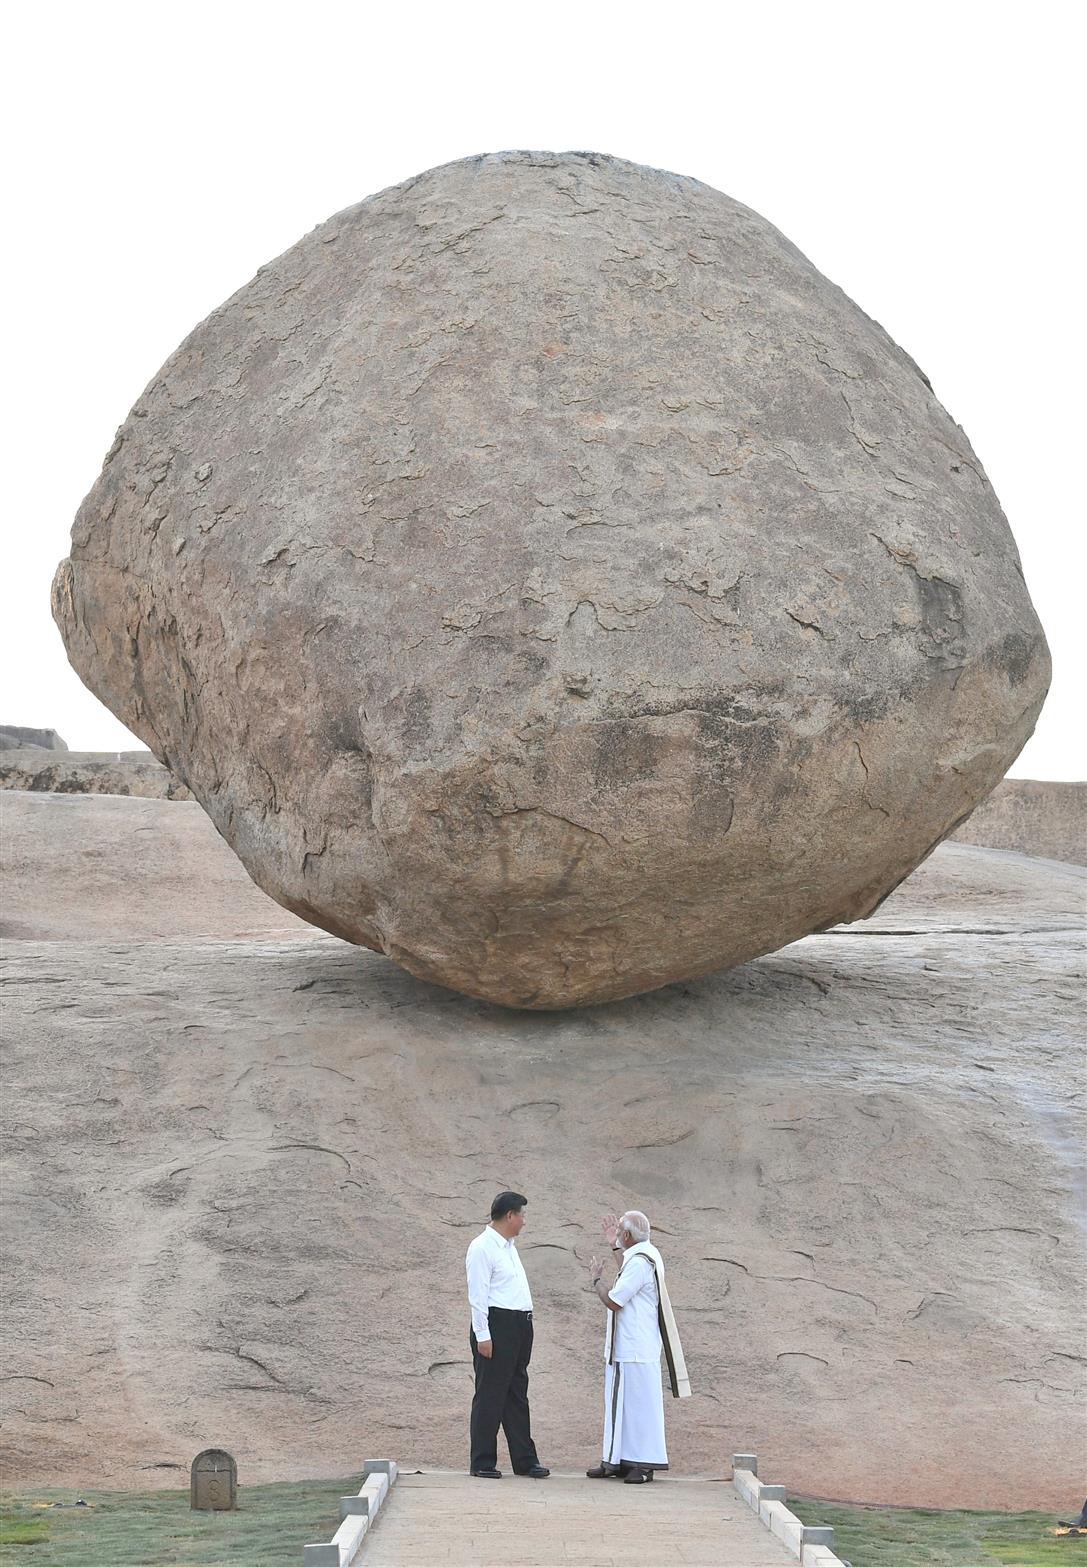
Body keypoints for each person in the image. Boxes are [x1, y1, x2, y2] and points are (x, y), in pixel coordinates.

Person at [586, 1209, 691, 1484]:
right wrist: (613, 1244)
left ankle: (643, 1465)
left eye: (621, 1231)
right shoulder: (646, 1254)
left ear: (629, 1235)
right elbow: (626, 1270)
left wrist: (596, 1279)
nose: (618, 1233)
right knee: (623, 1406)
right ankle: (619, 1461)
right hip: (633, 1347)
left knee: (640, 1408)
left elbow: (614, 1300)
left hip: (633, 1346)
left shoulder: (641, 1262)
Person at [464, 1190, 550, 1479]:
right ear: (510, 1215)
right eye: (522, 1215)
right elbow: (478, 1294)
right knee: (490, 1393)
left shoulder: (509, 1246)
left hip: (520, 1324)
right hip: (497, 1323)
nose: (524, 1221)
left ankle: (525, 1460)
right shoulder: (482, 1247)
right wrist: (482, 1334)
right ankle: (482, 1461)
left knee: (517, 1393)